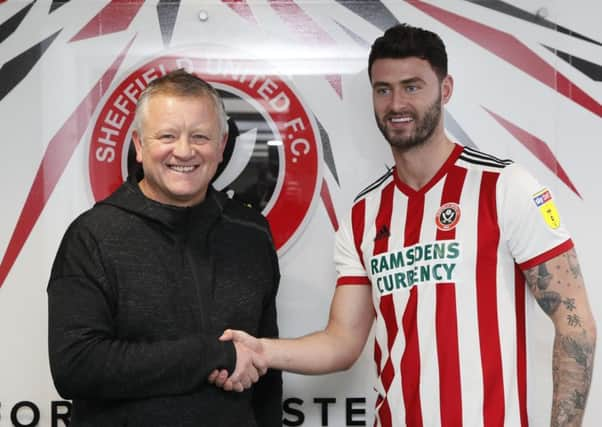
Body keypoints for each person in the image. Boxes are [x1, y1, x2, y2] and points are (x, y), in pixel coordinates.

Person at [210, 24, 597, 426]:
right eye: (383, 89)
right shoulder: (364, 213)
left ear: (445, 90)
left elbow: (576, 326)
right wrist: (262, 352)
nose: (397, 103)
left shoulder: (504, 186)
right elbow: (342, 342)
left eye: (412, 87)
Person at [47, 69, 282, 426]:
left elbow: (264, 370)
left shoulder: (251, 233)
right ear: (140, 146)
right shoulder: (91, 236)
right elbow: (75, 365)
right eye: (167, 135)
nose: (184, 151)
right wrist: (213, 355)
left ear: (221, 147)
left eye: (200, 136)